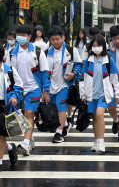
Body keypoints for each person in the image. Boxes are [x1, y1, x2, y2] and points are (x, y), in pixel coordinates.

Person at [6, 25, 50, 156]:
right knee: (20, 116)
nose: (20, 37)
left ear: (29, 37)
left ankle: (25, 144)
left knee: (29, 113)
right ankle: (29, 138)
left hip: (34, 88)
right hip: (18, 91)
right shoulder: (12, 53)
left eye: (23, 35)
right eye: (18, 34)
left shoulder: (37, 52)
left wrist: (46, 90)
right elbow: (8, 74)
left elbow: (44, 72)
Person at [79, 35, 119, 152]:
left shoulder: (108, 60)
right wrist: (83, 94)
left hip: (104, 93)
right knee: (95, 117)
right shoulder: (88, 61)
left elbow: (115, 77)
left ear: (103, 46)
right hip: (91, 94)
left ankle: (101, 142)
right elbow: (82, 78)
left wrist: (118, 93)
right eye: (94, 46)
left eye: (98, 45)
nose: (96, 48)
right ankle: (96, 141)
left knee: (99, 114)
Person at [46, 27, 82, 143]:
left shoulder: (71, 51)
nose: (55, 42)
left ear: (63, 38)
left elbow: (79, 64)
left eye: (57, 39)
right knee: (53, 109)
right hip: (51, 86)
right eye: (52, 40)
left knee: (61, 108)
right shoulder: (47, 53)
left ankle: (58, 133)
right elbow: (43, 71)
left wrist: (74, 74)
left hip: (64, 85)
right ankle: (65, 124)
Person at [0, 44, 23, 171]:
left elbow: (19, 86)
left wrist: (14, 96)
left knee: (1, 134)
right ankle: (10, 148)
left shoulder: (9, 71)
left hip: (4, 105)